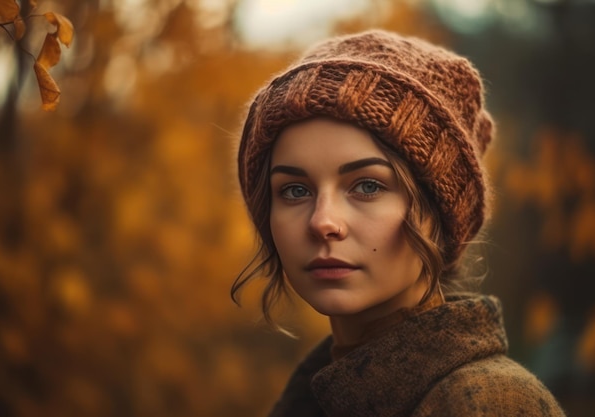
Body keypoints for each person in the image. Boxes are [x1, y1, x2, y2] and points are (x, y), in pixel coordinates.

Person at [232, 29, 566, 417]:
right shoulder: (321, 395)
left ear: (439, 210)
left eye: (368, 186)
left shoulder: (489, 403)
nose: (323, 221)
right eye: (293, 191)